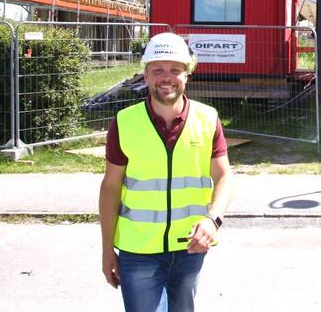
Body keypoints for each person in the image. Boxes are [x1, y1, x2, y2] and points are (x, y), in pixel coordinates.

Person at [99, 32, 235, 312]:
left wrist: (213, 221)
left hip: (189, 248)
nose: (166, 77)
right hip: (138, 252)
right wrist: (106, 250)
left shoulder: (207, 119)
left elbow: (224, 176)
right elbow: (111, 187)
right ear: (145, 75)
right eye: (157, 70)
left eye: (175, 70)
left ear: (187, 74)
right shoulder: (125, 122)